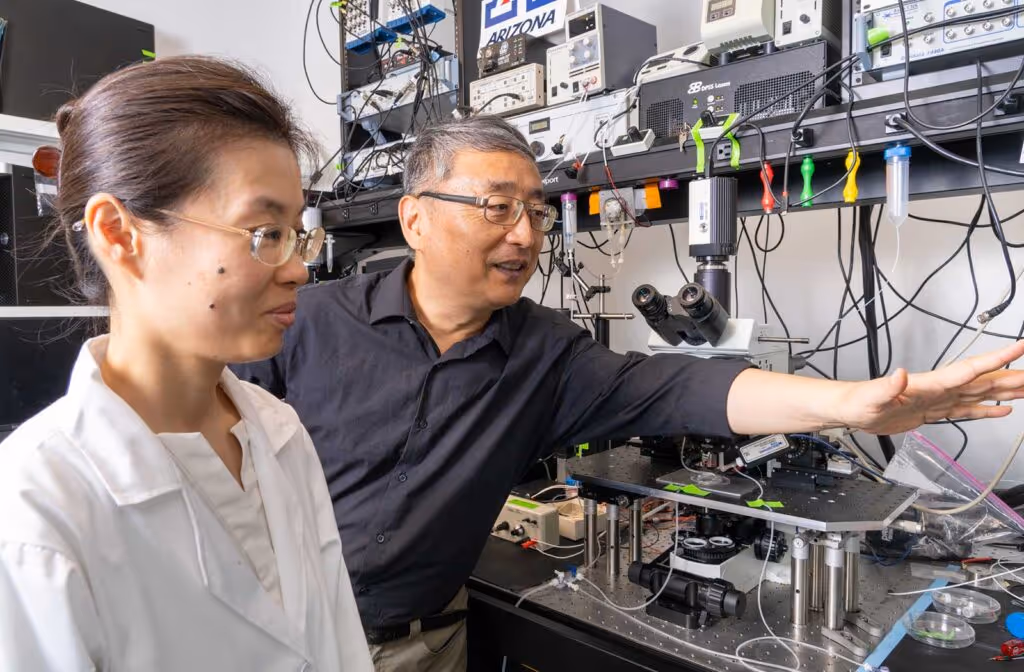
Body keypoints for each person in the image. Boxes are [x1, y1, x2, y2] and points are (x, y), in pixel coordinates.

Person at [234, 115, 1024, 672]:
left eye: (536, 212)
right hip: (269, 632)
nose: (525, 235)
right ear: (415, 219)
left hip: (421, 647)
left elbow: (683, 386)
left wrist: (850, 403)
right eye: (497, 207)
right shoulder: (306, 321)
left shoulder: (544, 353)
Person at [0, 56, 373, 672]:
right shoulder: (33, 508)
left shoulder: (279, 431)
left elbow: (338, 642)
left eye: (296, 233)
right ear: (119, 234)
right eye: (265, 232)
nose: (298, 269)